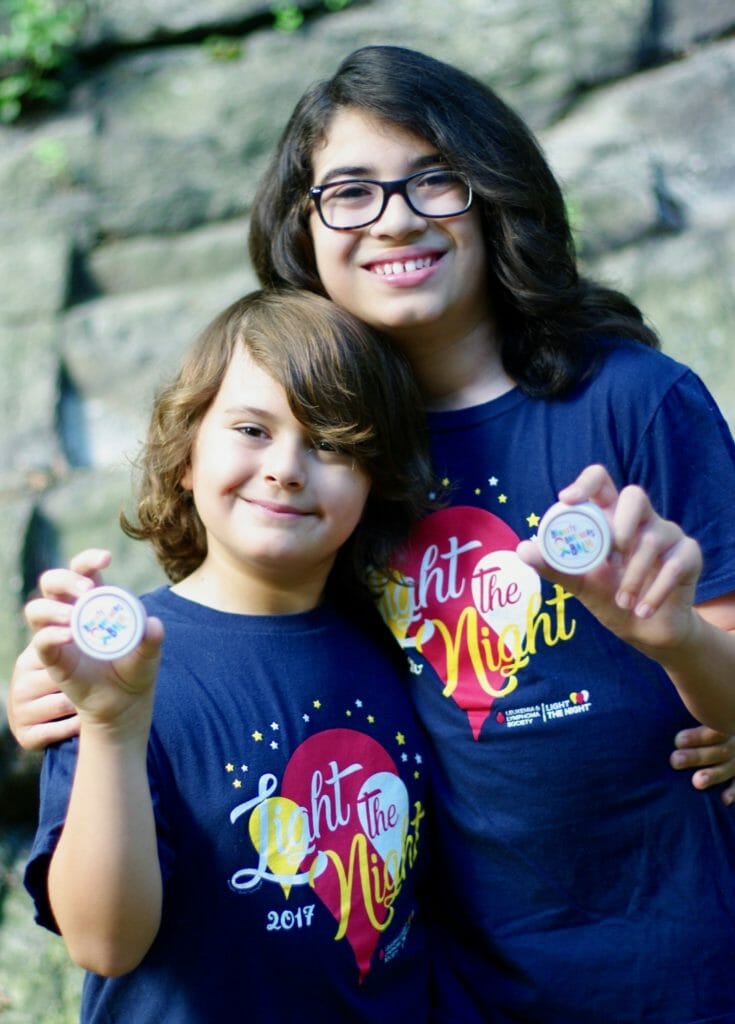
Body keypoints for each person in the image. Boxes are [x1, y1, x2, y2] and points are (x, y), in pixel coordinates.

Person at [8, 42, 735, 1022]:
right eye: (350, 191)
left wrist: (680, 640)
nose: (395, 215)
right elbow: (239, 632)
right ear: (301, 231)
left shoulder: (637, 403)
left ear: (493, 196)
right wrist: (70, 703)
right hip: (463, 982)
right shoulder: (330, 473)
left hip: (676, 954)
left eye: (434, 180)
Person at [22, 288, 436, 1023]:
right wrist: (113, 729)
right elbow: (103, 944)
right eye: (251, 428)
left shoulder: (397, 642)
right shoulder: (118, 673)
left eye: (333, 441)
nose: (286, 466)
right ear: (185, 455)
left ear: (374, 481)